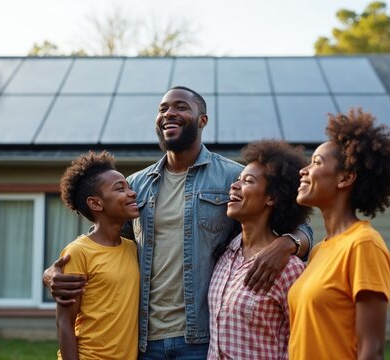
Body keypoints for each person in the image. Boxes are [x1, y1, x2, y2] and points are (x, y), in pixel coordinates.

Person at [44, 86, 313, 359]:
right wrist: (55, 272)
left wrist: (287, 244)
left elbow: (295, 224)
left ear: (202, 120)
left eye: (181, 107)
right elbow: (106, 240)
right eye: (163, 109)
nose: (169, 113)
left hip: (201, 341)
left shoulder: (232, 177)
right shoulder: (138, 184)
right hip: (144, 341)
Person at [288, 108, 390, 359]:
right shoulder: (321, 249)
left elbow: (371, 351)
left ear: (345, 178)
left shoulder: (364, 245)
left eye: (316, 163)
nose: (304, 170)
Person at [208, 140, 311, 359]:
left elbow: (300, 342)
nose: (234, 186)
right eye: (237, 180)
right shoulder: (225, 255)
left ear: (271, 198)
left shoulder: (288, 268)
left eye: (248, 181)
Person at [55, 150, 140, 360]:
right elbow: (64, 321)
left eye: (129, 187)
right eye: (120, 189)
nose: (132, 193)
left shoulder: (133, 248)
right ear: (96, 203)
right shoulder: (78, 252)